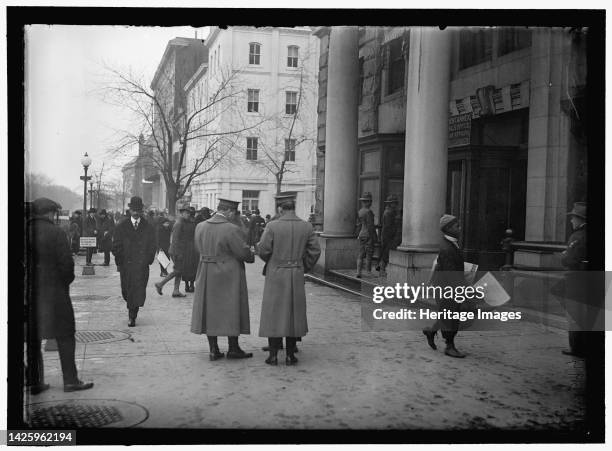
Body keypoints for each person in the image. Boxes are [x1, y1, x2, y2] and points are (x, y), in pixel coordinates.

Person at [25, 197, 94, 393]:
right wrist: (61, 284)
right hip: (54, 294)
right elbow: (67, 266)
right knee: (65, 336)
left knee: (33, 338)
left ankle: (34, 382)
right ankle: (70, 380)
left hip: (28, 295)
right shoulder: (56, 233)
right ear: (50, 213)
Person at [257, 192, 321, 365]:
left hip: (276, 273)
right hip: (296, 273)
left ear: (280, 208)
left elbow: (262, 249)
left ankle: (273, 355)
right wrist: (303, 265)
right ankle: (291, 355)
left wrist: (272, 261)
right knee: (294, 312)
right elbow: (315, 251)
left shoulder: (272, 226)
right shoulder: (306, 226)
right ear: (294, 208)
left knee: (273, 312)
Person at [190, 198, 255, 361]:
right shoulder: (231, 229)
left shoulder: (200, 226)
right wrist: (250, 254)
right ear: (230, 211)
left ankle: (213, 349)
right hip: (229, 273)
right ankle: (233, 348)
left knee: (209, 309)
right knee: (232, 308)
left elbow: (198, 248)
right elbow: (242, 253)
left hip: (206, 271)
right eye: (234, 213)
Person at [422, 214, 467, 358]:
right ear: (448, 229)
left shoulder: (451, 243)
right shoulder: (448, 248)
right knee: (452, 315)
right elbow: (451, 273)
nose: (459, 228)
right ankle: (449, 345)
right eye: (456, 226)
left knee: (447, 313)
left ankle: (431, 331)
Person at [112, 197, 157, 327]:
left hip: (141, 266)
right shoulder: (121, 226)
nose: (136, 213)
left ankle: (132, 315)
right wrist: (120, 260)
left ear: (141, 211)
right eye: (133, 210)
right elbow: (116, 245)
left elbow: (152, 244)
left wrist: (148, 259)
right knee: (126, 291)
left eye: (138, 210)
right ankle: (131, 308)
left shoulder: (148, 226)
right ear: (129, 210)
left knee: (138, 290)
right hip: (126, 265)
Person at [561, 202, 589, 357]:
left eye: (573, 218)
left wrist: (564, 255)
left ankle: (577, 348)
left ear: (579, 219)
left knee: (574, 313)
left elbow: (568, 259)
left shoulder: (578, 236)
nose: (571, 221)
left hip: (576, 280)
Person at [154, 205, 191, 297]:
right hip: (176, 251)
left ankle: (176, 291)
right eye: (186, 213)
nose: (188, 215)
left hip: (178, 251)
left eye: (189, 213)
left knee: (179, 270)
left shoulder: (182, 222)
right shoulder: (179, 224)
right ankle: (160, 284)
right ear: (182, 213)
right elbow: (175, 239)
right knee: (177, 270)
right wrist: (178, 253)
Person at [355, 192, 377, 278]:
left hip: (361, 235)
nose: (370, 203)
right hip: (368, 235)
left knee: (360, 253)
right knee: (369, 253)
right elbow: (371, 226)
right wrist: (375, 236)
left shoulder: (360, 211)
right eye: (369, 201)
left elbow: (358, 225)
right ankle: (368, 271)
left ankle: (358, 272)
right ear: (367, 202)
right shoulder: (369, 212)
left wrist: (358, 234)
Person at [378, 195, 399, 277]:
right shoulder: (389, 213)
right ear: (390, 204)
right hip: (388, 235)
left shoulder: (389, 212)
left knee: (385, 252)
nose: (395, 205)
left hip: (387, 235)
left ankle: (382, 268)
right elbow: (388, 226)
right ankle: (382, 270)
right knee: (386, 253)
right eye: (394, 203)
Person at [181, 207, 199, 293]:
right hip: (194, 247)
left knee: (186, 267)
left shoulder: (183, 223)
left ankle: (186, 285)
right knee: (193, 266)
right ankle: (191, 285)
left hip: (185, 248)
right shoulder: (195, 224)